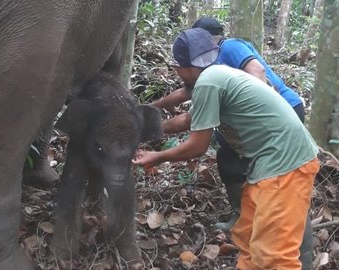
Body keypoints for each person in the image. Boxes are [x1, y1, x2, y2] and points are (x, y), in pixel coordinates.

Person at [134, 28, 319, 269]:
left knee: (274, 254)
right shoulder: (219, 75)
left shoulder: (210, 83)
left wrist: (157, 157)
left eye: (175, 65)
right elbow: (189, 120)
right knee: (247, 234)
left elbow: (197, 146)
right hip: (267, 164)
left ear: (184, 67)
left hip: (284, 165)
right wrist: (145, 126)